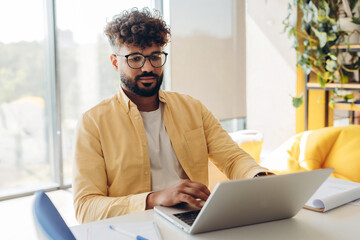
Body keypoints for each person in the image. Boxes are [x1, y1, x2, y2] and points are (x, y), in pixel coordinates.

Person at [73, 7, 271, 224]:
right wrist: (155, 199)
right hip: (133, 226)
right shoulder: (93, 122)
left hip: (193, 221)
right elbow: (86, 208)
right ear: (114, 62)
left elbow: (233, 159)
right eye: (135, 59)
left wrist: (259, 179)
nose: (148, 67)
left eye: (155, 57)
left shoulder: (192, 108)